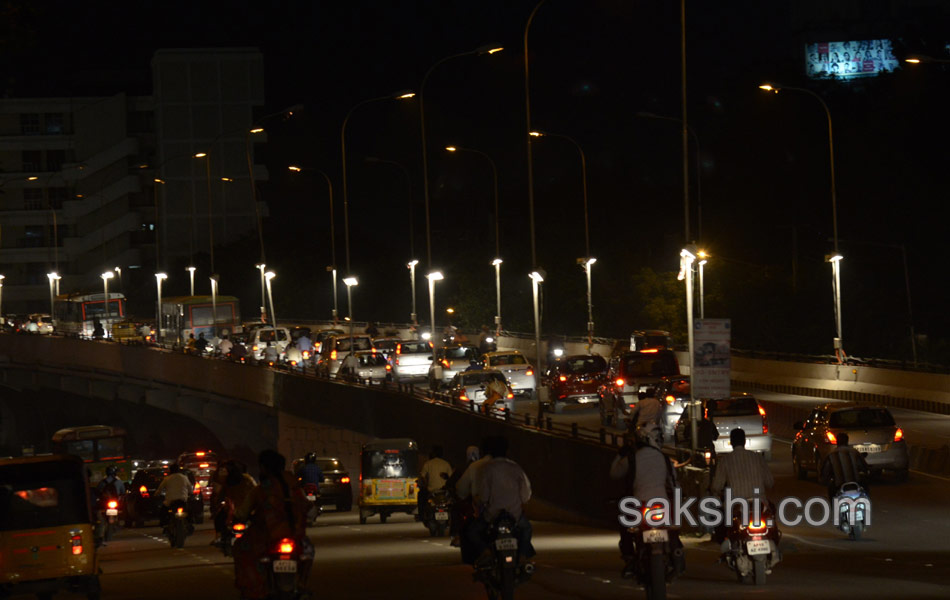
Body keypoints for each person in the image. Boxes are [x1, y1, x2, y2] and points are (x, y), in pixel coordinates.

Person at [233, 450, 312, 600]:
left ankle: (255, 589)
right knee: (309, 553)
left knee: (241, 549)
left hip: (267, 538)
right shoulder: (293, 485)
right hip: (296, 536)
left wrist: (237, 517)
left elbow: (242, 513)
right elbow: (308, 507)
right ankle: (301, 584)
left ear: (263, 467)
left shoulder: (262, 489)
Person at [609, 430, 683, 579]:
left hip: (640, 504)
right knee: (672, 529)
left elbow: (614, 473)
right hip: (662, 503)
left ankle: (629, 558)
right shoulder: (664, 458)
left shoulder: (632, 458)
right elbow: (674, 483)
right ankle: (677, 554)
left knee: (626, 528)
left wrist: (620, 454)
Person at [710, 429, 777, 558]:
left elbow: (716, 486)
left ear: (731, 443)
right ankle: (773, 545)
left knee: (720, 520)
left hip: (735, 504)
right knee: (772, 516)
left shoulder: (726, 460)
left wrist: (715, 491)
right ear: (745, 441)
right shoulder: (757, 458)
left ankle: (727, 551)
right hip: (759, 503)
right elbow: (770, 482)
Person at [469, 436, 534, 562]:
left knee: (473, 531)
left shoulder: (487, 469)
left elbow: (484, 496)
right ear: (507, 451)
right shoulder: (516, 468)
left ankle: (486, 551)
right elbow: (526, 494)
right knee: (527, 529)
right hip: (514, 516)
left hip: (492, 516)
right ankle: (522, 555)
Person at [446, 445, 481, 547]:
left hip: (469, 500)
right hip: (482, 501)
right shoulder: (486, 466)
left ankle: (455, 534)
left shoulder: (467, 468)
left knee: (455, 510)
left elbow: (459, 486)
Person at [819, 432, 870, 500]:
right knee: (865, 487)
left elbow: (824, 474)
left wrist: (825, 480)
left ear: (837, 442)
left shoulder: (830, 455)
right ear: (847, 441)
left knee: (831, 491)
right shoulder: (854, 452)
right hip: (856, 483)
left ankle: (834, 508)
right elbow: (864, 467)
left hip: (838, 486)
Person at [417, 446, 452, 520]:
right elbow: (451, 477)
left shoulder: (428, 464)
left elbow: (422, 477)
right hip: (444, 491)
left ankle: (421, 516)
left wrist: (424, 484)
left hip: (432, 491)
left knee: (421, 496)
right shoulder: (446, 464)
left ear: (433, 453)